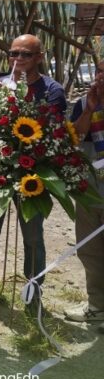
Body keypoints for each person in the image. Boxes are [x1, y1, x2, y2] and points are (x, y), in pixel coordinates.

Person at [0, 34, 67, 310]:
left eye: (25, 54)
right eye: (13, 54)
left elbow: (52, 132)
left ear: (39, 57)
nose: (18, 60)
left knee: (33, 237)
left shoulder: (52, 90)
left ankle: (33, 295)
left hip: (32, 175)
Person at [68, 61, 104, 327]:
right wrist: (90, 109)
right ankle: (97, 306)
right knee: (90, 249)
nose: (101, 77)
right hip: (91, 190)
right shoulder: (85, 103)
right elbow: (75, 138)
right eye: (100, 71)